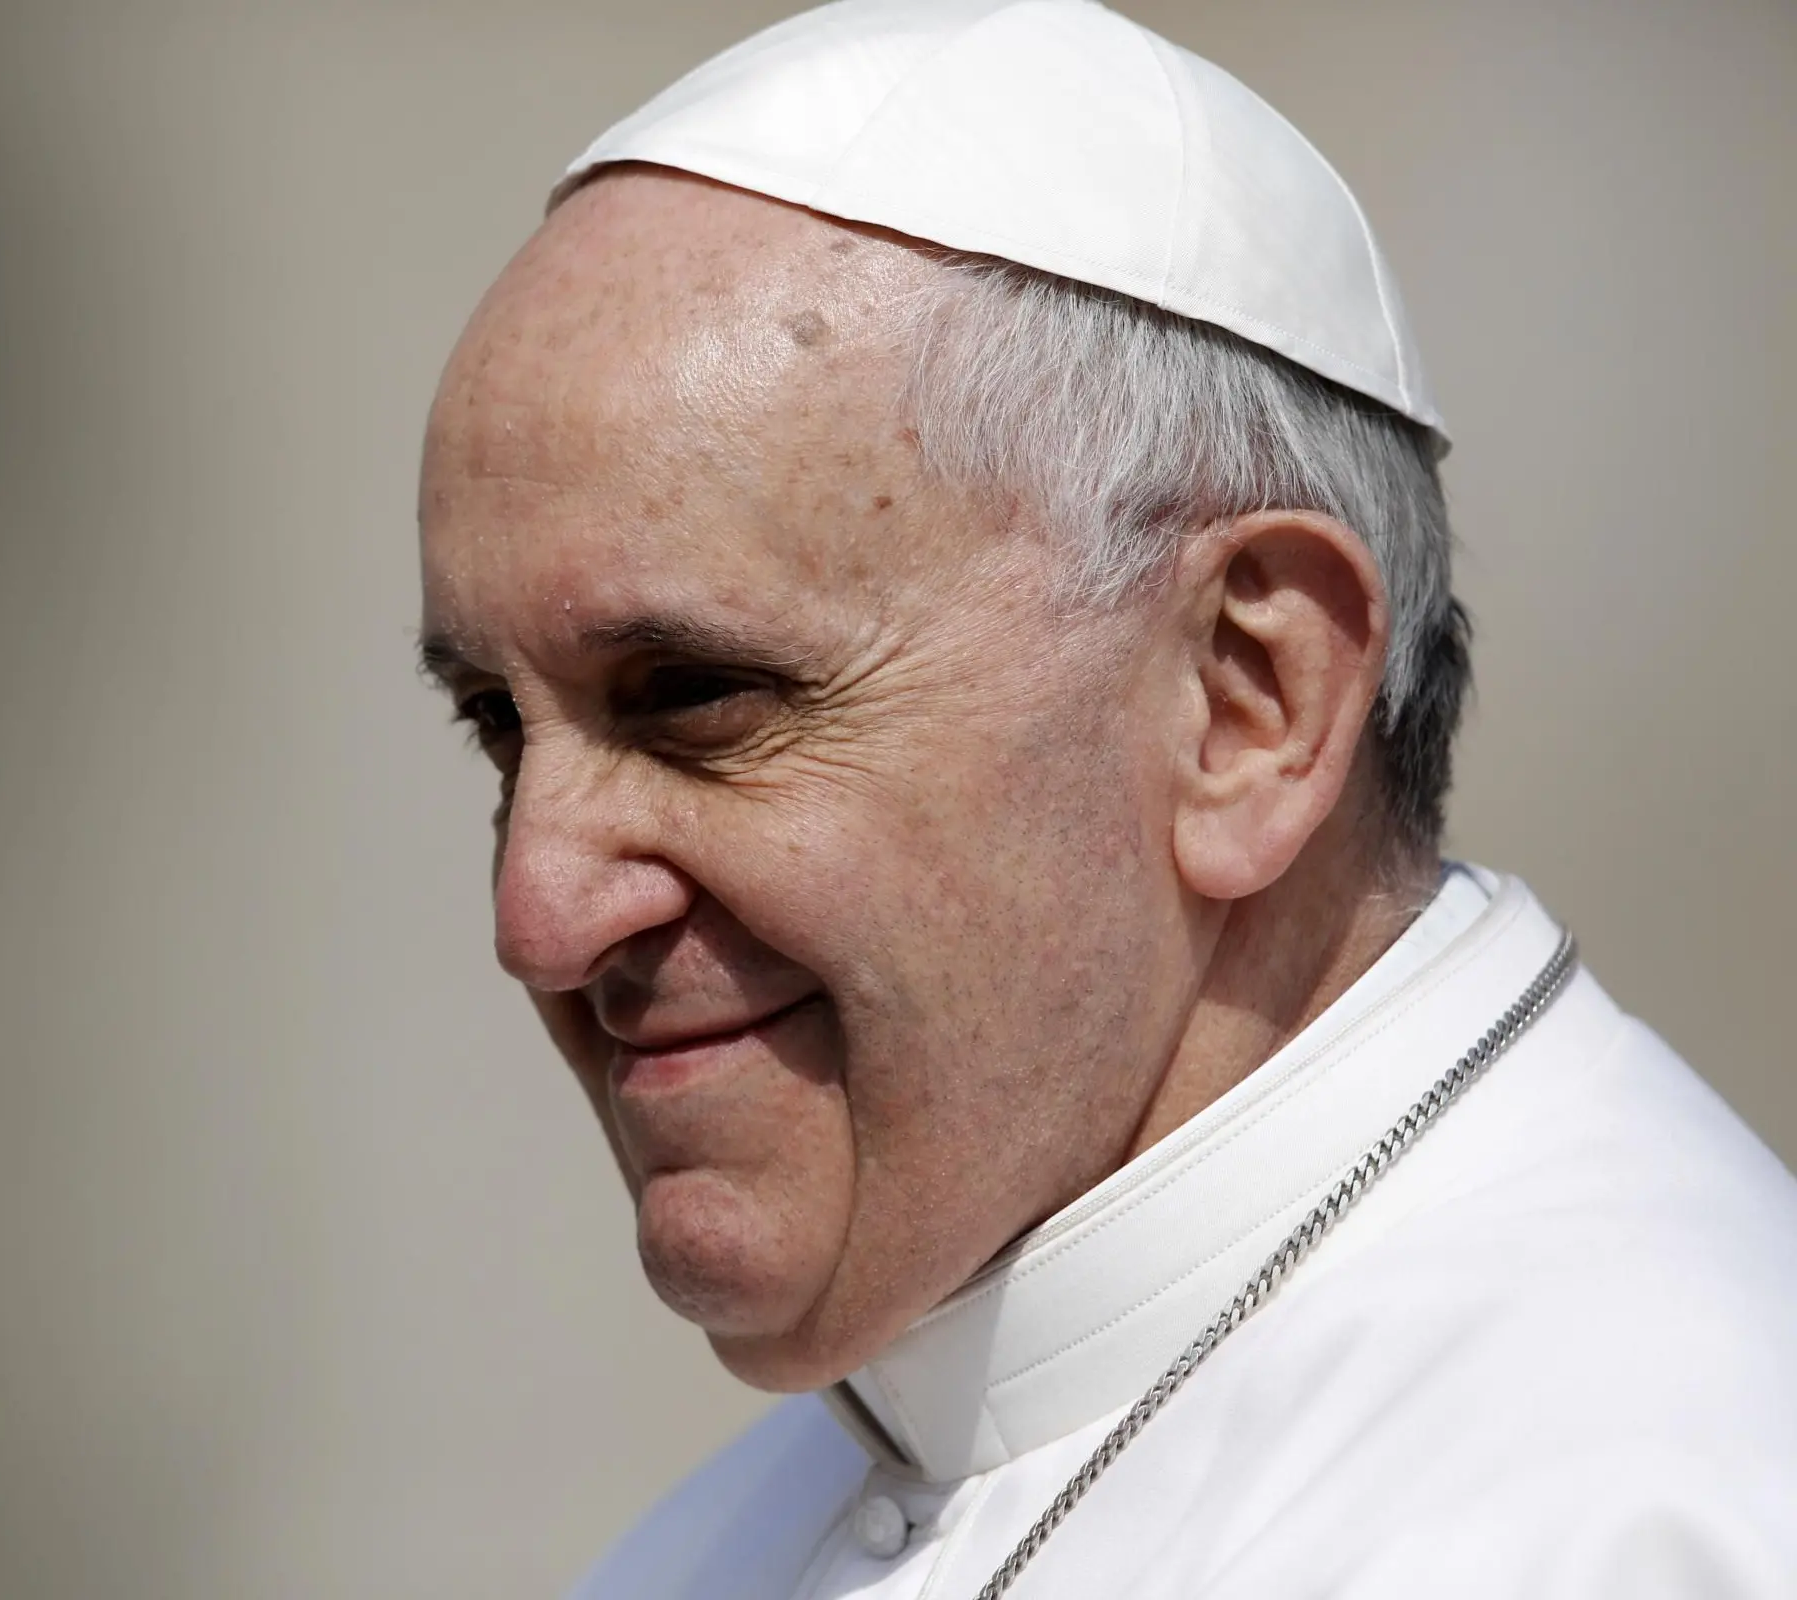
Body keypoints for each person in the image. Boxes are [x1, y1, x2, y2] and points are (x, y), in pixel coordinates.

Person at [412, 2, 1797, 1594]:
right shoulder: (744, 1523)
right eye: (497, 731)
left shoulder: (1635, 1515)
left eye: (699, 698)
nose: (539, 917)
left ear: (1245, 698)